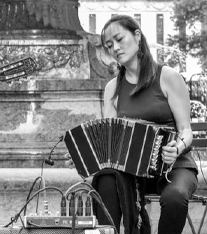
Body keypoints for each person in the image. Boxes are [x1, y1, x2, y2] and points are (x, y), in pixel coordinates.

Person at [67, 15, 198, 234]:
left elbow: (186, 130)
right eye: (109, 46)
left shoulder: (168, 77)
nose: (115, 48)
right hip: (133, 170)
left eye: (119, 39)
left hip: (174, 164)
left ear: (137, 36)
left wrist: (177, 147)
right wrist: (86, 158)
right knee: (106, 179)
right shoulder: (112, 88)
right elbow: (109, 140)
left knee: (174, 197)